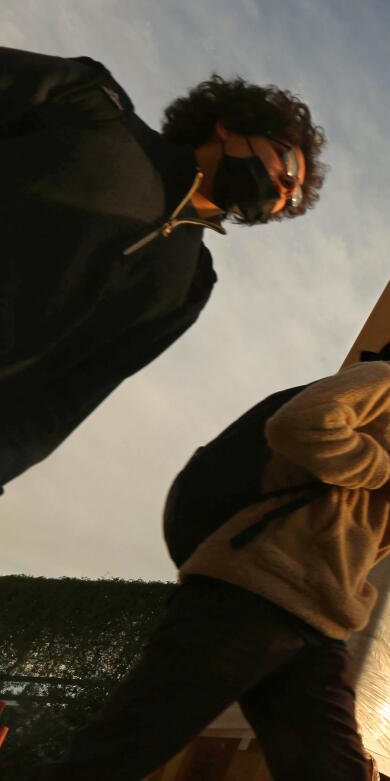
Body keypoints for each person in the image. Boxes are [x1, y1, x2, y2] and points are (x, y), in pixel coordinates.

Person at [35, 332, 390, 780]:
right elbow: (299, 425)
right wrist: (383, 466)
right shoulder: (382, 379)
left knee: (332, 769)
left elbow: (366, 548)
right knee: (121, 751)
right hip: (253, 591)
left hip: (319, 619)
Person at [0, 46, 327, 491]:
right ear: (230, 127)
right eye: (288, 165)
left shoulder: (189, 286)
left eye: (294, 196)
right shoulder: (91, 105)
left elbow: (68, 397)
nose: (286, 191)